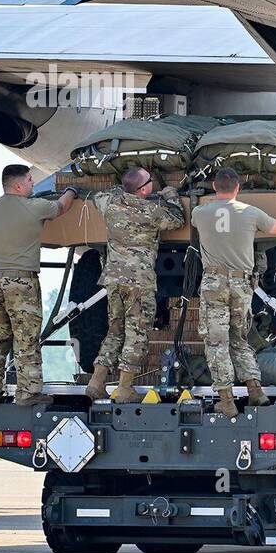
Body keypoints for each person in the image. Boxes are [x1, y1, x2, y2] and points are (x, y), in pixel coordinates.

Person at [191, 167, 276, 418]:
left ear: (215, 187)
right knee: (240, 340)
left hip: (214, 285)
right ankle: (256, 391)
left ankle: (227, 401)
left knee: (217, 342)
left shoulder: (200, 213)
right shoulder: (250, 213)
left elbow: (203, 214)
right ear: (238, 188)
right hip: (241, 286)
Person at [0, 165, 77, 407]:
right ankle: (28, 392)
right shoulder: (34, 207)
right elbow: (61, 207)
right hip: (21, 281)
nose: (34, 184)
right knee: (26, 337)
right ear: (18, 185)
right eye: (30, 180)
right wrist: (72, 190)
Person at [85, 166, 185, 403]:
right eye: (150, 181)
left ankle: (96, 382)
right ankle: (124, 387)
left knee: (115, 330)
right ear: (143, 190)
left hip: (113, 279)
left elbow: (100, 196)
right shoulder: (152, 210)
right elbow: (178, 219)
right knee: (136, 333)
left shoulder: (110, 203)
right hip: (139, 282)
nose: (153, 183)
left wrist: (123, 189)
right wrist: (170, 195)